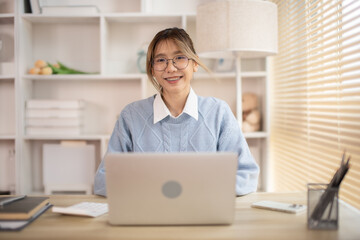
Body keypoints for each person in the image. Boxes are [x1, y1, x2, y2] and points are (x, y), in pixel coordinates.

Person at [94, 27, 259, 196]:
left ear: (195, 63)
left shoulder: (218, 113)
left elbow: (247, 175)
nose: (170, 68)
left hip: (203, 215)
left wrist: (197, 190)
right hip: (148, 217)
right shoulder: (131, 116)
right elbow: (102, 181)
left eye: (179, 58)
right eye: (160, 60)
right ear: (151, 69)